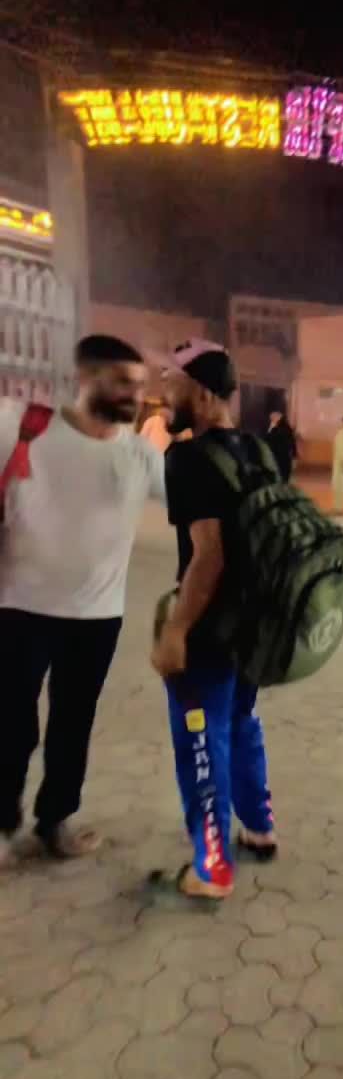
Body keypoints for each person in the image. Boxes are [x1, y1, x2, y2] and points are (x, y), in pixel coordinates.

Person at [0, 334, 165, 867]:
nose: (134, 395)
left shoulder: (140, 454)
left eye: (139, 385)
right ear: (86, 378)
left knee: (73, 724)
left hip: (97, 617)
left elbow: (198, 500)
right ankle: (2, 822)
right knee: (10, 723)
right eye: (122, 382)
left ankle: (56, 820)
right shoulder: (22, 427)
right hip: (19, 607)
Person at [151, 340, 276, 903]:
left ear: (200, 394)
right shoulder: (261, 451)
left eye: (171, 382)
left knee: (201, 742)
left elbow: (208, 556)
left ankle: (212, 869)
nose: (162, 393)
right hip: (255, 624)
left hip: (209, 630)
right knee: (242, 722)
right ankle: (260, 827)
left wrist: (176, 630)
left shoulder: (188, 458)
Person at [265, 409, 297, 483]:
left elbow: (291, 441)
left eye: (275, 416)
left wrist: (294, 454)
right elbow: (267, 439)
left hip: (283, 454)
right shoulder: (270, 427)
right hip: (274, 454)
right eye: (272, 417)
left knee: (284, 472)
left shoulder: (285, 427)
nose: (272, 418)